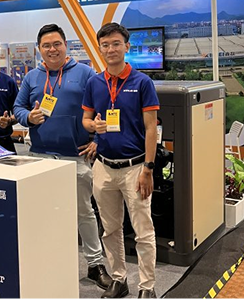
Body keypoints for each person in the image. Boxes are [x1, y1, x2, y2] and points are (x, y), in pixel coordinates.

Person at [13, 23, 111, 289]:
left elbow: (102, 109)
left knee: (84, 212)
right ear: (39, 49)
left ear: (65, 45)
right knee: (42, 213)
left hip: (75, 156)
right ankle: (46, 261)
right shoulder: (32, 77)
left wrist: (98, 140)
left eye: (57, 44)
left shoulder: (85, 73)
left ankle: (95, 264)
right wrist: (28, 117)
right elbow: (18, 107)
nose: (52, 49)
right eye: (46, 45)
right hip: (39, 156)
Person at [82, 22, 159, 299]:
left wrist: (148, 168)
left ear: (126, 46)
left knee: (142, 230)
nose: (110, 49)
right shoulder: (94, 83)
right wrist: (94, 127)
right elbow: (86, 119)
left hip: (135, 168)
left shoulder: (142, 82)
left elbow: (151, 128)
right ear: (100, 49)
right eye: (105, 45)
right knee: (110, 229)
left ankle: (147, 286)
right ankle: (119, 279)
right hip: (103, 167)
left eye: (116, 43)